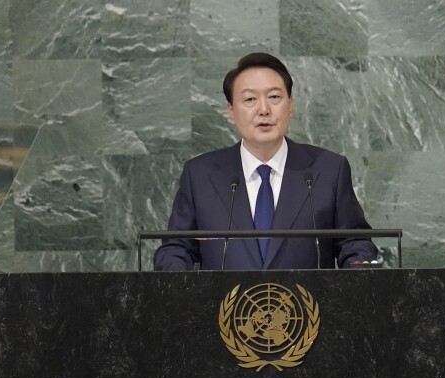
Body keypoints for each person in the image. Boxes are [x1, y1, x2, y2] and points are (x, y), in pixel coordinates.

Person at [153, 52, 378, 271]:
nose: (264, 110)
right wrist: (176, 281)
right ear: (231, 111)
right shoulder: (200, 174)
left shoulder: (328, 169)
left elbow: (355, 243)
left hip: (307, 308)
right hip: (223, 308)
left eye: (274, 97)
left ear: (290, 104)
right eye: (250, 99)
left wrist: (361, 271)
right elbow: (176, 247)